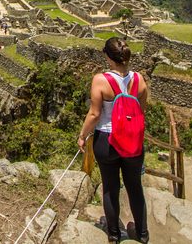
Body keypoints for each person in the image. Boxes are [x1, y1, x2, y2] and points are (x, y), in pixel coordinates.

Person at [78, 38, 149, 243]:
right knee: (135, 186)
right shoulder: (139, 80)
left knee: (110, 187)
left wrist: (82, 136)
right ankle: (142, 234)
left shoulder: (101, 80)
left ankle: (114, 235)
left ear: (109, 57)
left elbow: (94, 114)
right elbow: (140, 111)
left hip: (107, 140)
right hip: (132, 141)